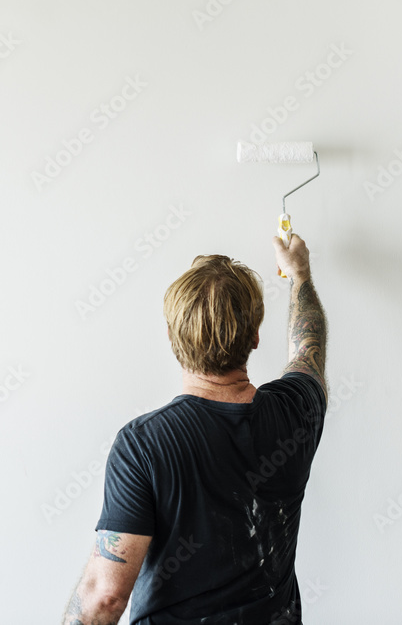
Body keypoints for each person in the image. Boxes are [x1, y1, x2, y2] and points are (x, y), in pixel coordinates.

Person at [61, 234, 328, 625]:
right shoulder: (296, 412)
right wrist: (299, 275)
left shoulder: (143, 446)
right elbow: (308, 349)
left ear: (172, 337)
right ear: (255, 336)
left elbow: (105, 597)